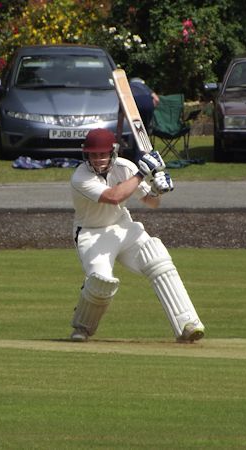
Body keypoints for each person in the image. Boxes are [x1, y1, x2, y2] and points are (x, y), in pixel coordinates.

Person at [69, 128, 205, 343]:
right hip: (91, 234)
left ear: (112, 152)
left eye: (102, 154)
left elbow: (151, 203)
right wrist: (142, 173)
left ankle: (187, 324)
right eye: (93, 154)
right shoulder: (80, 177)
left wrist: (157, 191)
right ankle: (82, 327)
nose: (98, 159)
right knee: (101, 282)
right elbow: (114, 197)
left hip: (123, 227)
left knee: (157, 258)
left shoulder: (126, 167)